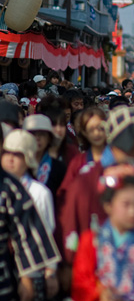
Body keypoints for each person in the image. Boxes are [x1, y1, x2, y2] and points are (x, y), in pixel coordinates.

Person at [58, 105, 134, 271]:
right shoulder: (87, 177)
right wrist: (69, 266)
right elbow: (70, 224)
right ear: (126, 137)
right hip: (96, 274)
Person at [71, 174, 134, 301]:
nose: (133, 212)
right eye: (126, 204)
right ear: (108, 205)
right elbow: (80, 281)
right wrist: (100, 293)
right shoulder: (91, 240)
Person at [2, 129, 58, 300]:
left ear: (28, 159)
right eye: (7, 153)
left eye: (18, 154)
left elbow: (47, 232)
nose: (10, 159)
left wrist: (51, 271)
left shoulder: (40, 192)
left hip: (33, 270)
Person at [23, 113, 67, 197]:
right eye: (33, 134)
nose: (37, 138)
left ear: (49, 139)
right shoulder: (18, 164)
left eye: (42, 134)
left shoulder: (59, 168)